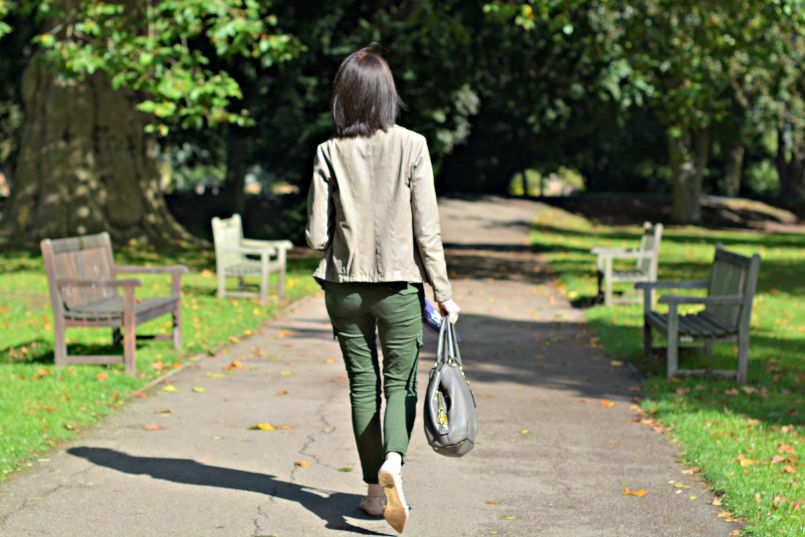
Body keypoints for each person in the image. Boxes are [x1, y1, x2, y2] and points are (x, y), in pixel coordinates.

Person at [305, 45, 459, 533]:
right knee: (401, 384)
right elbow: (426, 231)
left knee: (362, 385)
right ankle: (394, 459)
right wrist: (444, 292)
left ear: (344, 97)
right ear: (387, 95)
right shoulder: (413, 145)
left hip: (343, 288)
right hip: (399, 288)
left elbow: (314, 237)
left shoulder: (328, 151)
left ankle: (375, 492)